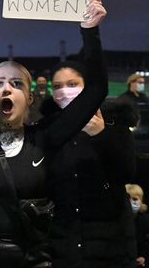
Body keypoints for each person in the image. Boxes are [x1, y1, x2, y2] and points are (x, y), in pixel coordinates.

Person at [0, 0, 108, 267]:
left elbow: (97, 90)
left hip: (28, 255)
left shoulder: (45, 138)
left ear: (30, 98)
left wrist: (90, 31)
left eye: (17, 83)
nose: (6, 88)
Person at [46, 61, 136, 267]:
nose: (64, 91)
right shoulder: (51, 128)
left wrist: (101, 135)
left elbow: (126, 172)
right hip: (65, 242)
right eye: (57, 86)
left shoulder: (115, 123)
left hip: (108, 244)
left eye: (72, 83)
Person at [126, 184, 149, 268]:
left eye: (135, 199)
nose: (131, 202)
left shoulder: (148, 221)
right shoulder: (117, 222)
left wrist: (144, 257)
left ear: (141, 201)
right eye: (128, 198)